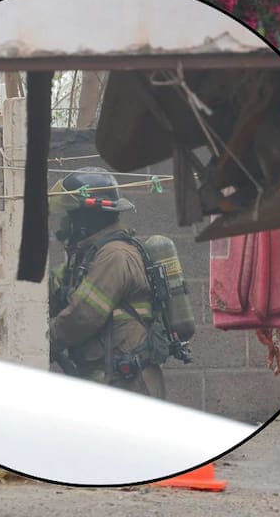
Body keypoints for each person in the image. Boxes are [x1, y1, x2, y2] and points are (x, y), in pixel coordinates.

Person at [48, 167, 167, 399]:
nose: (66, 224)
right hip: (115, 381)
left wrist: (46, 340)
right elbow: (61, 288)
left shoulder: (114, 255)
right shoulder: (94, 255)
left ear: (86, 219)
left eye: (71, 216)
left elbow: (84, 315)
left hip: (129, 385)